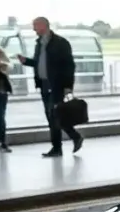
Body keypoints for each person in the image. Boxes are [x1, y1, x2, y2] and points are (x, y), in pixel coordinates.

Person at [17, 17, 81, 157]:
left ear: (44, 26)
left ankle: (62, 144)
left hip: (57, 85)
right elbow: (39, 63)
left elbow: (69, 66)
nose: (33, 29)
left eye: (35, 26)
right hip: (44, 85)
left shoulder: (60, 43)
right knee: (52, 116)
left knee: (55, 115)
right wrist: (26, 61)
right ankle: (69, 140)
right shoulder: (39, 44)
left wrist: (68, 86)